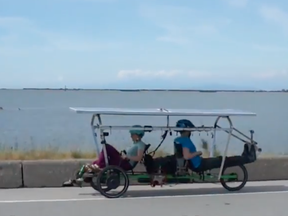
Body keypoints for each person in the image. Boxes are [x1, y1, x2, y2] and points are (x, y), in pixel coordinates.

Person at [64, 125, 147, 187]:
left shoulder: (141, 145)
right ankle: (91, 168)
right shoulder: (136, 144)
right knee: (106, 151)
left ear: (136, 135)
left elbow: (139, 158)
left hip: (126, 163)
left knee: (106, 147)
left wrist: (127, 157)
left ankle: (97, 166)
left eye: (132, 134)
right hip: (123, 160)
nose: (131, 136)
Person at [173, 119, 257, 172]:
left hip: (195, 163)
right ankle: (247, 158)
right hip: (199, 165)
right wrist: (198, 153)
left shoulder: (177, 140)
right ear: (187, 130)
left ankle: (244, 156)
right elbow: (187, 156)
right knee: (223, 160)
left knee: (221, 160)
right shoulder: (186, 141)